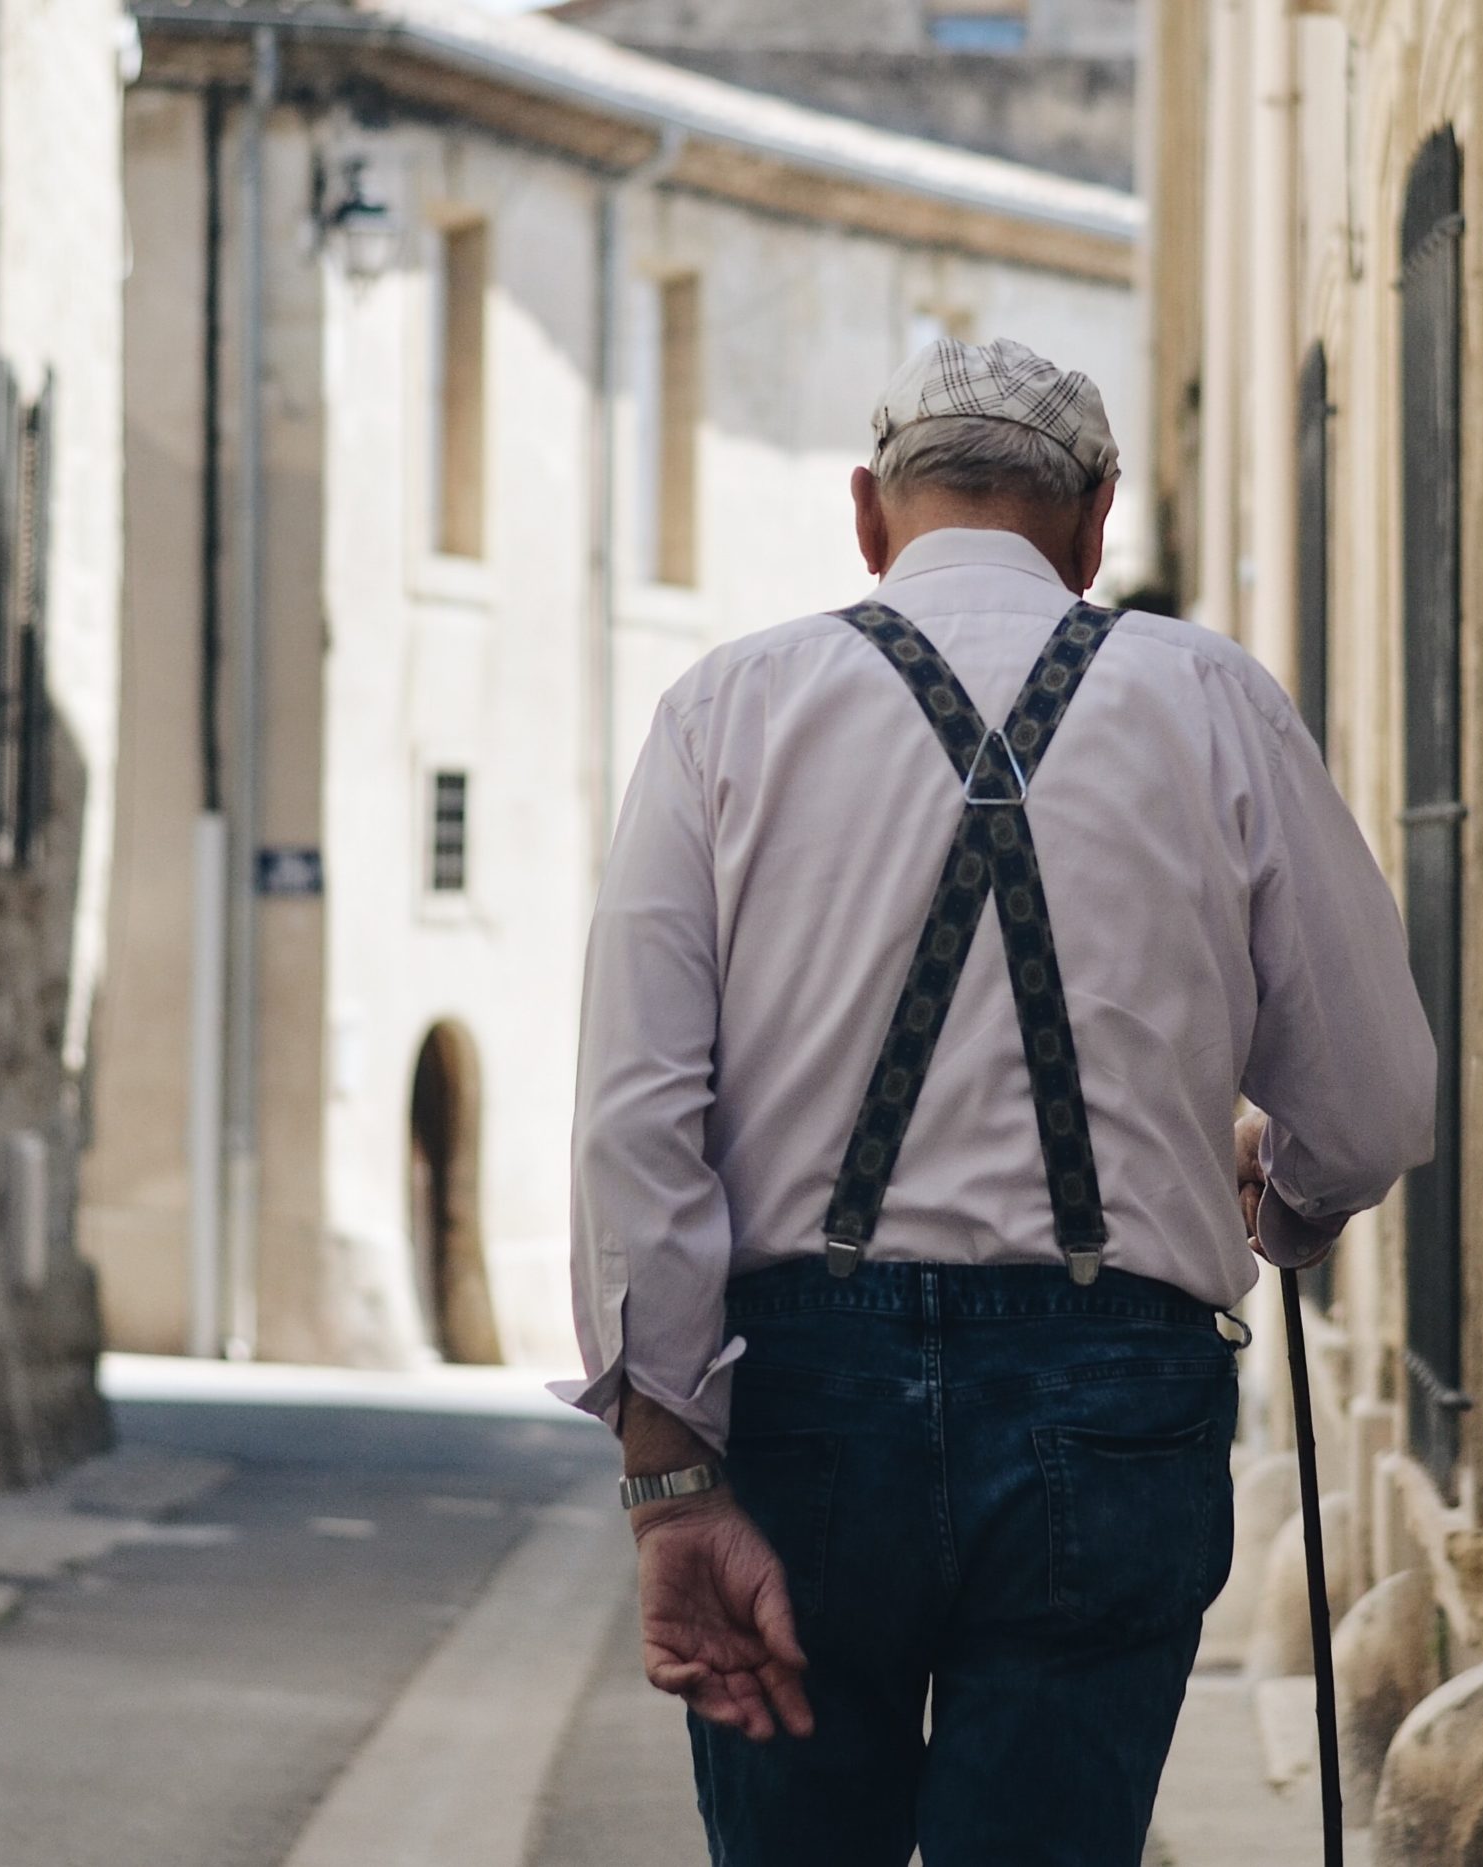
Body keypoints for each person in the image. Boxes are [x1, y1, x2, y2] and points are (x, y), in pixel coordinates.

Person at [553, 337, 1435, 1865]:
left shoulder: (726, 711)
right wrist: (1280, 1200)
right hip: (1112, 1406)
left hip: (802, 1402)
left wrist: (671, 1475)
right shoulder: (1215, 699)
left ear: (866, 516)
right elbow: (1371, 1102)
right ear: (1095, 525)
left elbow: (637, 1121)